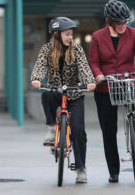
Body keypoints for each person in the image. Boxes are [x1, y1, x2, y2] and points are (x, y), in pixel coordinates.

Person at [89, 0, 135, 183]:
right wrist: (98, 75)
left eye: (125, 21)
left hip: (129, 81)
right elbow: (94, 62)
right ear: (109, 21)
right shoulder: (97, 37)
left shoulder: (134, 34)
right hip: (106, 86)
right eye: (119, 22)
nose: (123, 25)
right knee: (108, 130)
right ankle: (114, 171)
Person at [31, 17, 96, 183]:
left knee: (79, 131)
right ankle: (53, 128)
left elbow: (84, 67)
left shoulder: (77, 50)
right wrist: (36, 78)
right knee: (46, 95)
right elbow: (39, 66)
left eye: (71, 34)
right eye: (67, 34)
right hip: (55, 91)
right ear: (57, 34)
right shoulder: (47, 49)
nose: (70, 37)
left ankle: (81, 168)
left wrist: (89, 81)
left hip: (74, 94)